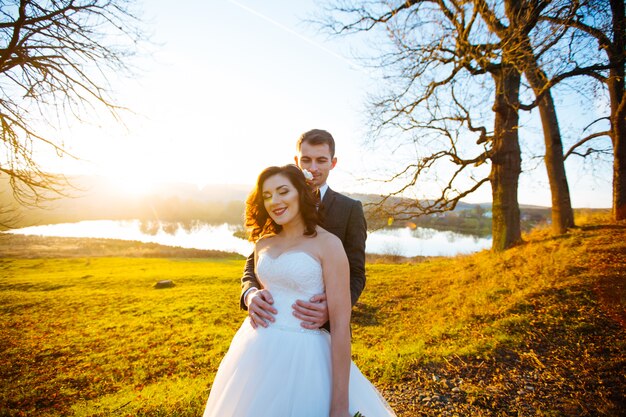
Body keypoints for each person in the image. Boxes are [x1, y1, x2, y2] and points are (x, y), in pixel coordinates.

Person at [202, 165, 395, 417]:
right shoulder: (263, 243)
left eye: (283, 191)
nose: (275, 201)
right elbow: (257, 280)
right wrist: (251, 295)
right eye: (268, 195)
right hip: (256, 350)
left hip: (306, 357)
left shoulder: (329, 244)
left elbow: (340, 327)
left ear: (301, 193)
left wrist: (339, 405)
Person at [241, 129, 367, 331]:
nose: (313, 168)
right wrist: (250, 294)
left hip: (324, 329)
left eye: (321, 160)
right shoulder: (278, 204)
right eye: (306, 160)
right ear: (296, 161)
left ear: (333, 163)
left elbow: (357, 272)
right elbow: (254, 260)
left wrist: (333, 308)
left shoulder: (350, 209)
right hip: (270, 323)